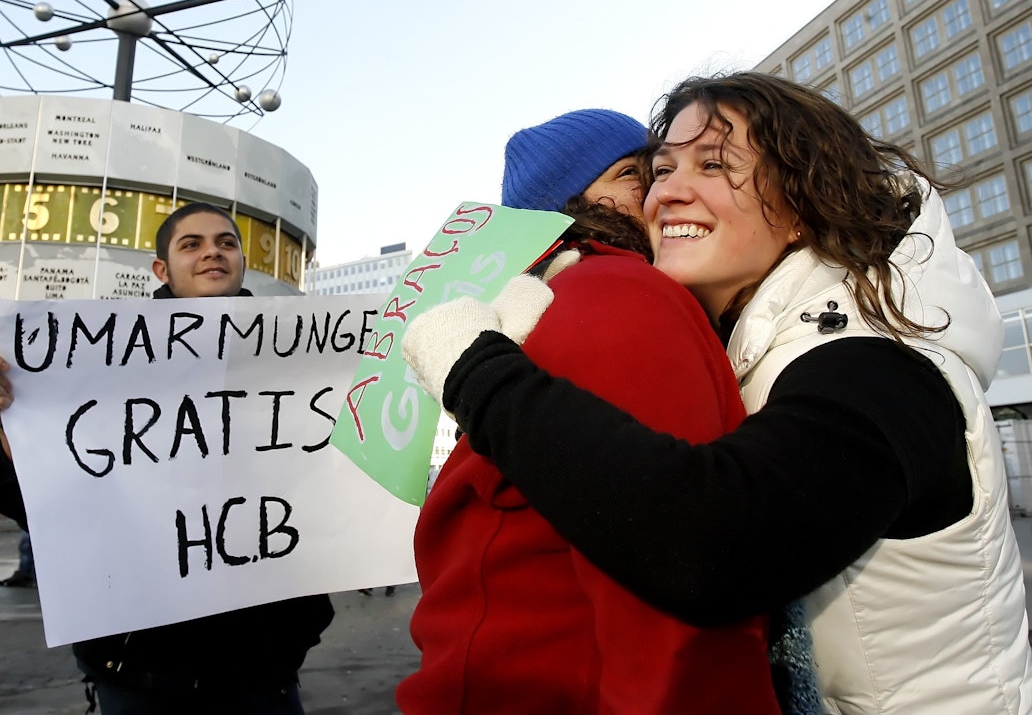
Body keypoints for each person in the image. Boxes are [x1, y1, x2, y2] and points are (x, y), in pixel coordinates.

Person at [402, 73, 1032, 714]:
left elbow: (715, 543)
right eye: (659, 169)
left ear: (800, 200)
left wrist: (480, 374)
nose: (664, 193)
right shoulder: (757, 347)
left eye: (714, 164)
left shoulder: (882, 366)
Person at [397, 109, 783, 714]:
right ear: (572, 204)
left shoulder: (542, 305)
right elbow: (671, 568)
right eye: (636, 174)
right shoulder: (621, 290)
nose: (659, 192)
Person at [0, 202, 334, 714]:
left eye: (226, 243)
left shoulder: (297, 359)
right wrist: (15, 429)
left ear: (242, 261)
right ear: (162, 269)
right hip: (140, 669)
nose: (213, 252)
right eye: (192, 244)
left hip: (263, 663)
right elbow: (56, 508)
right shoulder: (100, 361)